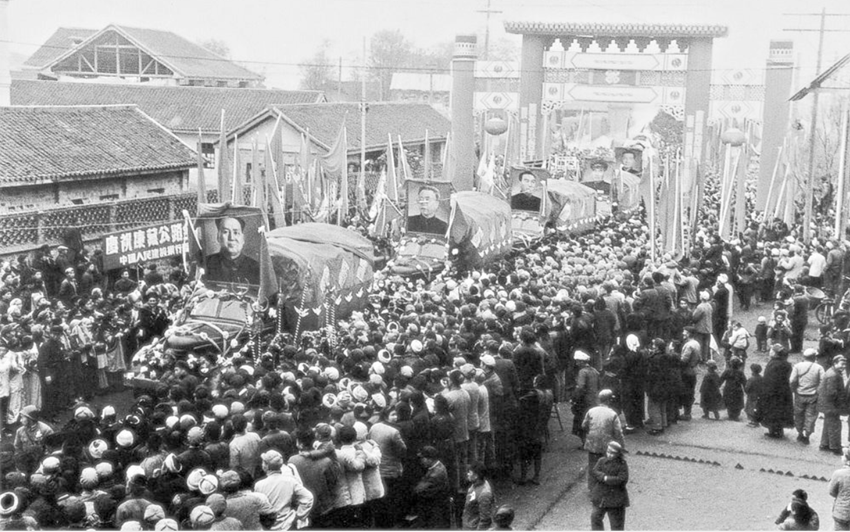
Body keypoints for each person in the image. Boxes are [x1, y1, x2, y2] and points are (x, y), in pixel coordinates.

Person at [253, 450, 314, 530]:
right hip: (287, 525)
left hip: (268, 526)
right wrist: (300, 515)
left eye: (263, 462)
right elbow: (308, 498)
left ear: (266, 466)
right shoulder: (290, 481)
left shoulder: (259, 485)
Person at [582, 389, 624, 491]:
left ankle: (592, 488)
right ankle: (603, 488)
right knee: (606, 466)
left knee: (593, 465)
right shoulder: (613, 414)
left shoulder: (591, 411)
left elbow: (584, 425)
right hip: (606, 445)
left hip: (592, 444)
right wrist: (621, 446)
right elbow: (618, 432)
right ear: (609, 400)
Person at [205, 216, 261, 285]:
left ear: (243, 239)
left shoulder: (257, 268)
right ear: (218, 237)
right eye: (225, 232)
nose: (231, 238)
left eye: (236, 233)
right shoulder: (205, 264)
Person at [590, 441, 629, 531]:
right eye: (608, 452)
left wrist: (607, 479)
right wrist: (603, 476)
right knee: (595, 517)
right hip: (601, 496)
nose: (609, 455)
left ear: (618, 454)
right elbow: (595, 471)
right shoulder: (602, 460)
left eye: (613, 453)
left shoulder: (622, 464)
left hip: (616, 498)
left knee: (616, 524)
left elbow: (622, 479)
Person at [757, 344, 795, 438]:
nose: (770, 352)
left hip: (772, 391)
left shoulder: (773, 364)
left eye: (771, 350)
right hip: (783, 392)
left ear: (775, 353)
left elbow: (769, 379)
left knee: (772, 411)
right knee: (781, 411)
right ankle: (779, 430)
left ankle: (773, 431)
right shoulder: (786, 364)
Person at [411, 446, 450, 529]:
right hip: (434, 507)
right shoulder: (437, 466)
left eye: (423, 458)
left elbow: (419, 490)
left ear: (430, 459)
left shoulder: (436, 474)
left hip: (434, 510)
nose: (421, 461)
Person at [790, 348, 824, 444]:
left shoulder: (797, 366)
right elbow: (823, 382)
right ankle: (807, 435)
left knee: (799, 414)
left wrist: (794, 390)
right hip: (813, 395)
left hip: (799, 394)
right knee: (811, 416)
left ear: (804, 357)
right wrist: (817, 391)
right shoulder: (819, 367)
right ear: (814, 357)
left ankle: (800, 433)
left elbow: (792, 380)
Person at [818, 355, 846, 454]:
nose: (844, 366)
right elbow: (831, 393)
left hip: (827, 404)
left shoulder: (832, 372)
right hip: (831, 405)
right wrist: (841, 401)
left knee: (828, 424)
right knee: (835, 425)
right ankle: (835, 447)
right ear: (835, 363)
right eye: (842, 364)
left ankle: (825, 444)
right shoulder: (834, 375)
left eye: (845, 364)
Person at [462, 462, 494, 530]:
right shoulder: (475, 484)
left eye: (470, 472)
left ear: (476, 476)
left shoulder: (484, 494)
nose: (467, 474)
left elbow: (485, 520)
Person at [829, 447, 850, 530]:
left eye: (843, 455)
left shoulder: (839, 473)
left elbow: (831, 492)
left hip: (842, 513)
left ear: (847, 459)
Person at [720, 357, 747, 421]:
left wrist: (717, 386)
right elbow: (744, 382)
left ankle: (730, 414)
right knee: (737, 402)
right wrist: (746, 390)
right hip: (737, 390)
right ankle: (736, 415)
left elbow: (721, 380)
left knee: (729, 402)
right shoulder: (740, 373)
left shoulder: (727, 371)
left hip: (728, 389)